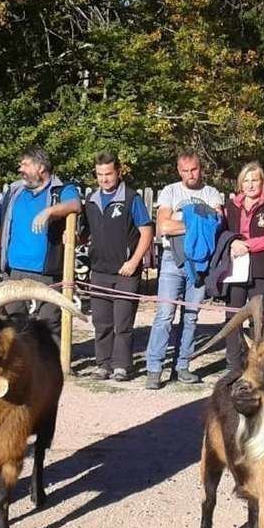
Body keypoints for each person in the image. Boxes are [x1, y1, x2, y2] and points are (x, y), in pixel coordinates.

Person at [144, 150, 223, 389]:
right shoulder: (170, 191)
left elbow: (217, 226)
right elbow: (163, 227)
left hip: (201, 262)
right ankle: (154, 368)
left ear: (201, 168)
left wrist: (185, 221)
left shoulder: (211, 193)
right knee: (165, 314)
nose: (190, 175)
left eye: (194, 169)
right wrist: (198, 223)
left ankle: (182, 366)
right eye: (185, 171)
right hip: (172, 259)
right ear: (179, 171)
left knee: (191, 316)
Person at [0, 147, 81, 346]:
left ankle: (51, 368)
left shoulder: (61, 190)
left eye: (25, 164)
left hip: (47, 271)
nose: (20, 168)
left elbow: (75, 205)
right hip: (14, 270)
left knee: (48, 323)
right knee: (15, 322)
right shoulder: (14, 191)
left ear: (40, 168)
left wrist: (50, 211)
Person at [83, 151, 154, 381]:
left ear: (118, 172)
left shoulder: (131, 199)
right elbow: (85, 233)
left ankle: (122, 366)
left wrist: (134, 262)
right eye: (100, 174)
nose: (104, 179)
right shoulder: (91, 201)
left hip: (125, 272)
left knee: (122, 323)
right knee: (101, 323)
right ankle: (103, 365)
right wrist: (71, 236)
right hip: (99, 272)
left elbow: (147, 232)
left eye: (109, 174)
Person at [221, 161, 264, 371]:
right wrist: (232, 243)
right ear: (240, 184)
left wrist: (247, 245)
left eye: (254, 180)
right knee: (232, 315)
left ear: (262, 183)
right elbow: (222, 232)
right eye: (245, 181)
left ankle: (261, 362)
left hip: (261, 268)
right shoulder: (230, 206)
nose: (250, 185)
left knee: (258, 317)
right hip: (235, 267)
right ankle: (234, 363)